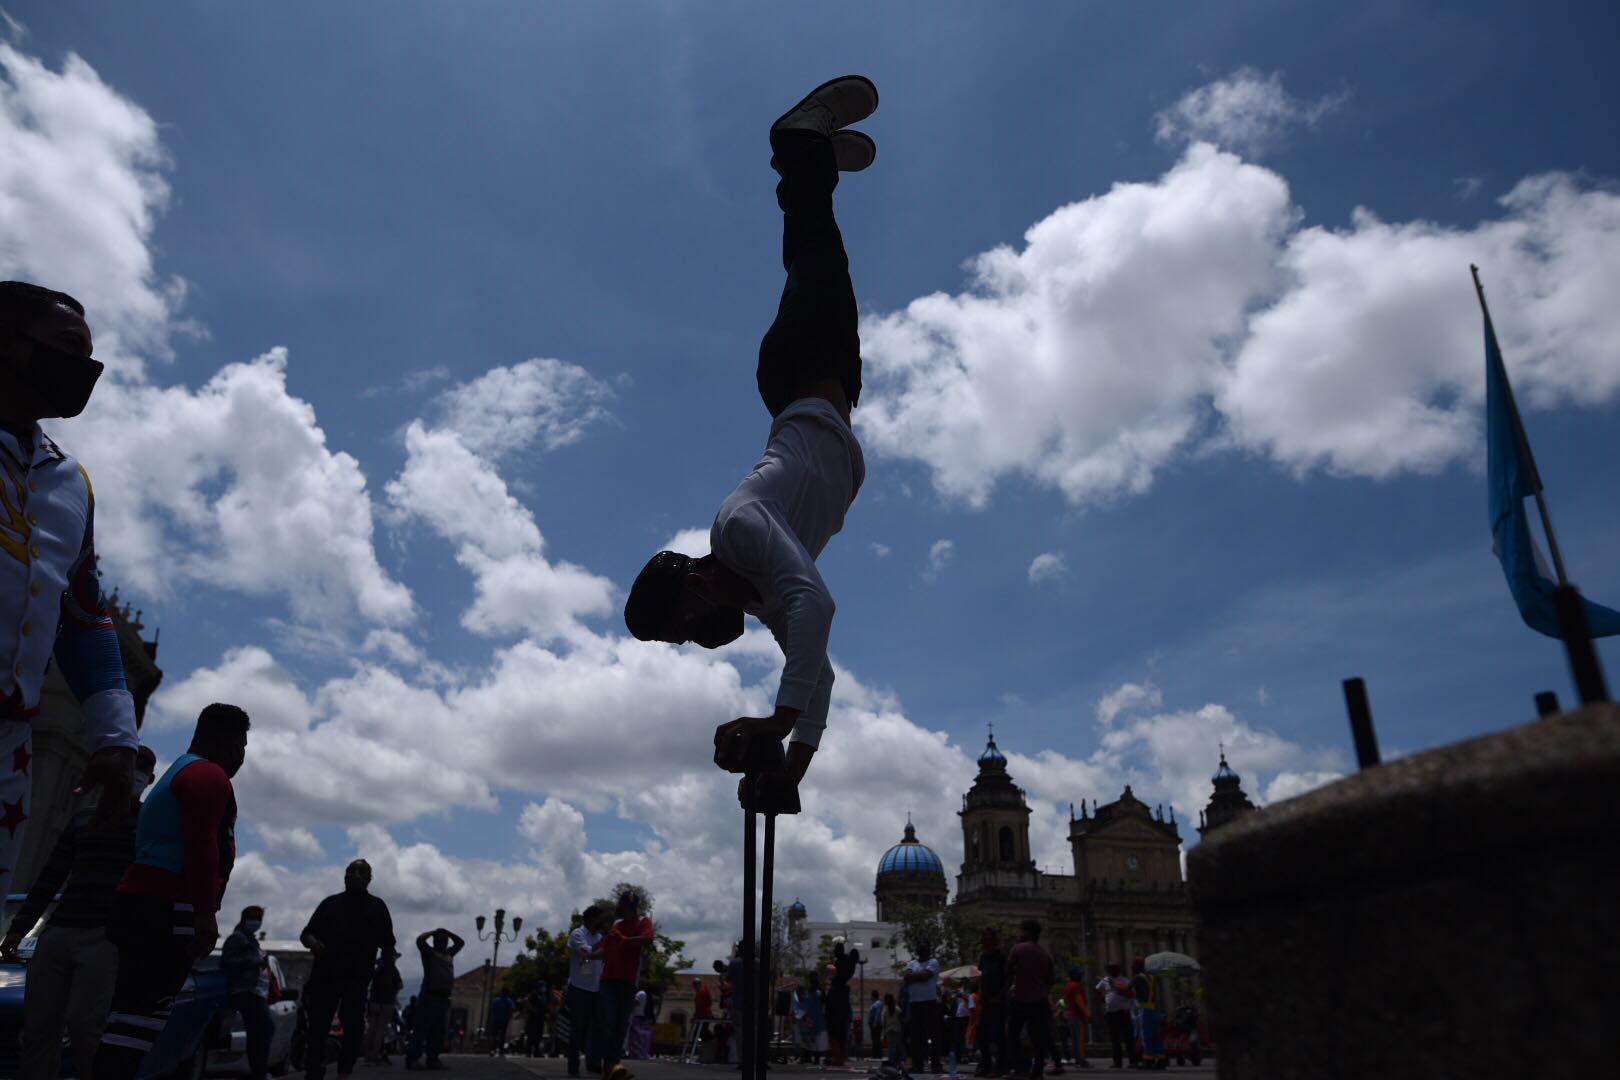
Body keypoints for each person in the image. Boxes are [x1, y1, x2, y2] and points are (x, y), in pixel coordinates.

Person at [623, 76, 880, 804]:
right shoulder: (768, 593)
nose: (699, 638)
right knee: (824, 257)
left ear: (695, 585)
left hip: (798, 370)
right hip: (833, 389)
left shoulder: (738, 530)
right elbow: (818, 663)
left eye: (685, 627)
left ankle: (798, 147)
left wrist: (776, 720)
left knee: (816, 257)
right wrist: (790, 766)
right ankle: (813, 161)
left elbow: (817, 610)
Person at [0, 282, 139, 930]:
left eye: (89, 355)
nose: (84, 370)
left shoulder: (67, 479)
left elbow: (81, 613)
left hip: (10, 746)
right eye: (66, 348)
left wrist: (113, 737)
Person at [92, 703, 249, 1080]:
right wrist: (204, 912)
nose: (242, 756)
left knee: (130, 1015)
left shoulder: (179, 771)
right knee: (140, 1017)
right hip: (165, 907)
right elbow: (201, 847)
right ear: (226, 741)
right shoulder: (207, 776)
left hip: (144, 903)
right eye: (242, 745)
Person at [3, 744, 155, 1079]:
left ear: (151, 778)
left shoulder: (149, 824)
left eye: (142, 769)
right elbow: (50, 876)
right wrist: (20, 927)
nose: (134, 775)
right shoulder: (83, 819)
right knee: (39, 1027)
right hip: (60, 932)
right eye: (131, 766)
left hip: (105, 937)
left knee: (87, 1027)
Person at [300, 859, 397, 1080]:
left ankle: (344, 1072)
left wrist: (387, 976)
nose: (355, 874)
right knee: (318, 1028)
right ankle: (313, 1072)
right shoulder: (330, 904)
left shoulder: (377, 907)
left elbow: (389, 944)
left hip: (357, 978)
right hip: (325, 975)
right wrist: (314, 943)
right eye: (351, 871)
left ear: (369, 878)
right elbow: (306, 933)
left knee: (353, 1028)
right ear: (344, 876)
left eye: (361, 872)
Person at [597, 891, 654, 1080]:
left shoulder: (643, 922)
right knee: (610, 1023)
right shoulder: (616, 925)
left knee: (620, 1026)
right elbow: (604, 950)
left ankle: (611, 1068)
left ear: (629, 905)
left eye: (621, 903)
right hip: (608, 980)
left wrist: (626, 940)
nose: (619, 906)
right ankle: (612, 1067)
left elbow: (647, 939)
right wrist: (588, 955)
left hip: (628, 982)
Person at [222, 905, 274, 1080]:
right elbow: (227, 961)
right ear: (245, 919)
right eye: (254, 918)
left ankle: (258, 1071)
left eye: (259, 918)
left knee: (259, 1033)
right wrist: (255, 961)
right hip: (245, 992)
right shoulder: (237, 938)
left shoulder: (251, 940)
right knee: (265, 1029)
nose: (257, 922)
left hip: (256, 993)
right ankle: (259, 1072)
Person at [1005, 920, 1057, 1080]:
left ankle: (1020, 1068)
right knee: (1038, 1038)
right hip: (1039, 1000)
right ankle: (1037, 1072)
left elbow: (1007, 970)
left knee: (1013, 1034)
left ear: (1027, 932)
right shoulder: (1045, 954)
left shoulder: (1018, 949)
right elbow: (1051, 980)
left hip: (1021, 998)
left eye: (1021, 931)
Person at [406, 928, 464, 1070]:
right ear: (434, 941)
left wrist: (447, 932)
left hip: (443, 997)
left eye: (445, 940)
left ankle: (433, 1059)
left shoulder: (449, 953)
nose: (443, 941)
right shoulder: (429, 953)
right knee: (422, 1029)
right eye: (440, 939)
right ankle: (412, 1059)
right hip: (429, 995)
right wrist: (434, 931)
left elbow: (461, 942)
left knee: (438, 1031)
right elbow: (419, 940)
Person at [566, 906, 607, 1077]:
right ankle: (573, 1066)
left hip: (596, 989)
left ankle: (593, 1063)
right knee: (577, 1029)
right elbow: (586, 952)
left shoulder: (599, 936)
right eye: (600, 918)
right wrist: (605, 943)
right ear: (591, 919)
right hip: (578, 988)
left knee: (596, 1029)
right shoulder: (578, 934)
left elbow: (602, 957)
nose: (602, 922)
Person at [903, 939, 943, 1073]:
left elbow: (926, 976)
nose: (922, 948)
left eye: (925, 946)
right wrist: (918, 976)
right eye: (920, 946)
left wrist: (913, 977)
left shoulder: (933, 962)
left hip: (929, 1002)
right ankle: (917, 1065)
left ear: (929, 949)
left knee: (933, 1035)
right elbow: (906, 977)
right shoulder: (911, 963)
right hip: (915, 1003)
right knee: (916, 1037)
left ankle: (935, 1065)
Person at [976, 928, 1008, 1078]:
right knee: (981, 1033)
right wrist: (982, 993)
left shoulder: (1001, 956)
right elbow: (982, 976)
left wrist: (1000, 995)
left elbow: (1008, 978)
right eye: (984, 939)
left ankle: (1000, 1065)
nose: (986, 942)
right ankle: (986, 1063)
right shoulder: (984, 957)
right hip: (987, 999)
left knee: (998, 1034)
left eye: (988, 939)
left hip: (999, 999)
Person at [366, 951, 405, 1064]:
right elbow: (400, 985)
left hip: (374, 1002)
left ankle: (368, 1055)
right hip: (387, 1003)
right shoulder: (392, 970)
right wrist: (393, 992)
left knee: (371, 1028)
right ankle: (374, 1055)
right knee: (380, 1030)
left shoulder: (377, 968)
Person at [1094, 964, 1135, 1070]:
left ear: (1118, 970)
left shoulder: (1125, 980)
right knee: (1114, 1039)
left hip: (1124, 1012)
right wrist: (1103, 1000)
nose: (1111, 971)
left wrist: (1120, 990)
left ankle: (1132, 1061)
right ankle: (1117, 1062)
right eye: (1109, 970)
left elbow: (1131, 994)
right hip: (1111, 1013)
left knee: (1128, 1038)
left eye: (1113, 969)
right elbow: (1097, 990)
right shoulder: (1105, 980)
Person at [826, 939, 860, 1065]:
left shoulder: (841, 962)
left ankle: (838, 1056)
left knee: (836, 1029)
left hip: (838, 996)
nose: (835, 952)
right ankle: (839, 1056)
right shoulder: (848, 962)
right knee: (840, 1030)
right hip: (841, 996)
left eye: (836, 950)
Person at [1128, 958, 1163, 1071]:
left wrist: (1113, 984)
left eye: (1133, 965)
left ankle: (1148, 1061)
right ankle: (1160, 1060)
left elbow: (1125, 989)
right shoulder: (1152, 977)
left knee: (1145, 1037)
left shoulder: (1137, 978)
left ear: (1137, 966)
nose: (1131, 967)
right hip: (1154, 1010)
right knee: (1156, 1036)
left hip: (1144, 1011)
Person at [1062, 967, 1091, 1069]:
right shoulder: (1076, 986)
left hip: (1070, 1015)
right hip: (1078, 1016)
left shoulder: (1067, 986)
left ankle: (1078, 1059)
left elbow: (1066, 1001)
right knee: (1080, 1039)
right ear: (1073, 975)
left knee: (1074, 1039)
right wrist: (1088, 1015)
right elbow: (1080, 1003)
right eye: (1079, 974)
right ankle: (1081, 1060)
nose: (1081, 976)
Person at [489, 990, 517, 1057]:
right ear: (507, 994)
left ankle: (493, 1050)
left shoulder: (496, 1000)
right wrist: (509, 1015)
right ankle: (501, 1051)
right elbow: (513, 1008)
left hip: (495, 1020)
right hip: (504, 1021)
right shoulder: (508, 1000)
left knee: (494, 1036)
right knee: (502, 1036)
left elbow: (492, 1009)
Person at [867, 990, 884, 1061]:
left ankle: (876, 1054)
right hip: (875, 1024)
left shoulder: (877, 1004)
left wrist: (874, 1023)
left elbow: (877, 1014)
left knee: (876, 1039)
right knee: (875, 1039)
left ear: (873, 996)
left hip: (876, 1024)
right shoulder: (876, 1003)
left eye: (871, 996)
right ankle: (877, 1054)